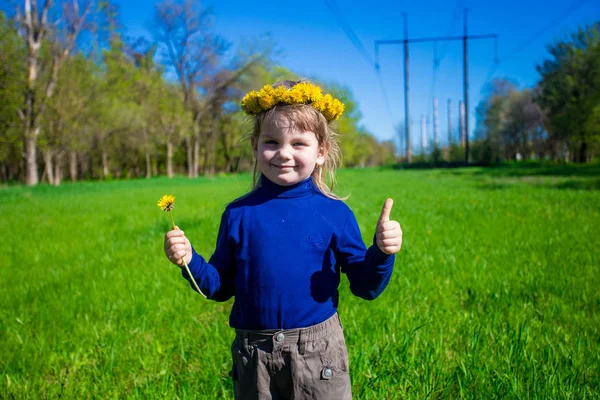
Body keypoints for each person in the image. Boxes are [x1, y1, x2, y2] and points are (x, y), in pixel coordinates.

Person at [163, 80, 403, 400]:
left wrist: (382, 252)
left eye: (298, 143)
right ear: (255, 146)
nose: (283, 154)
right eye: (272, 141)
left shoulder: (334, 213)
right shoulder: (238, 214)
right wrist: (189, 260)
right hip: (255, 357)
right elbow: (219, 287)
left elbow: (366, 286)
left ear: (321, 151)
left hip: (318, 355)